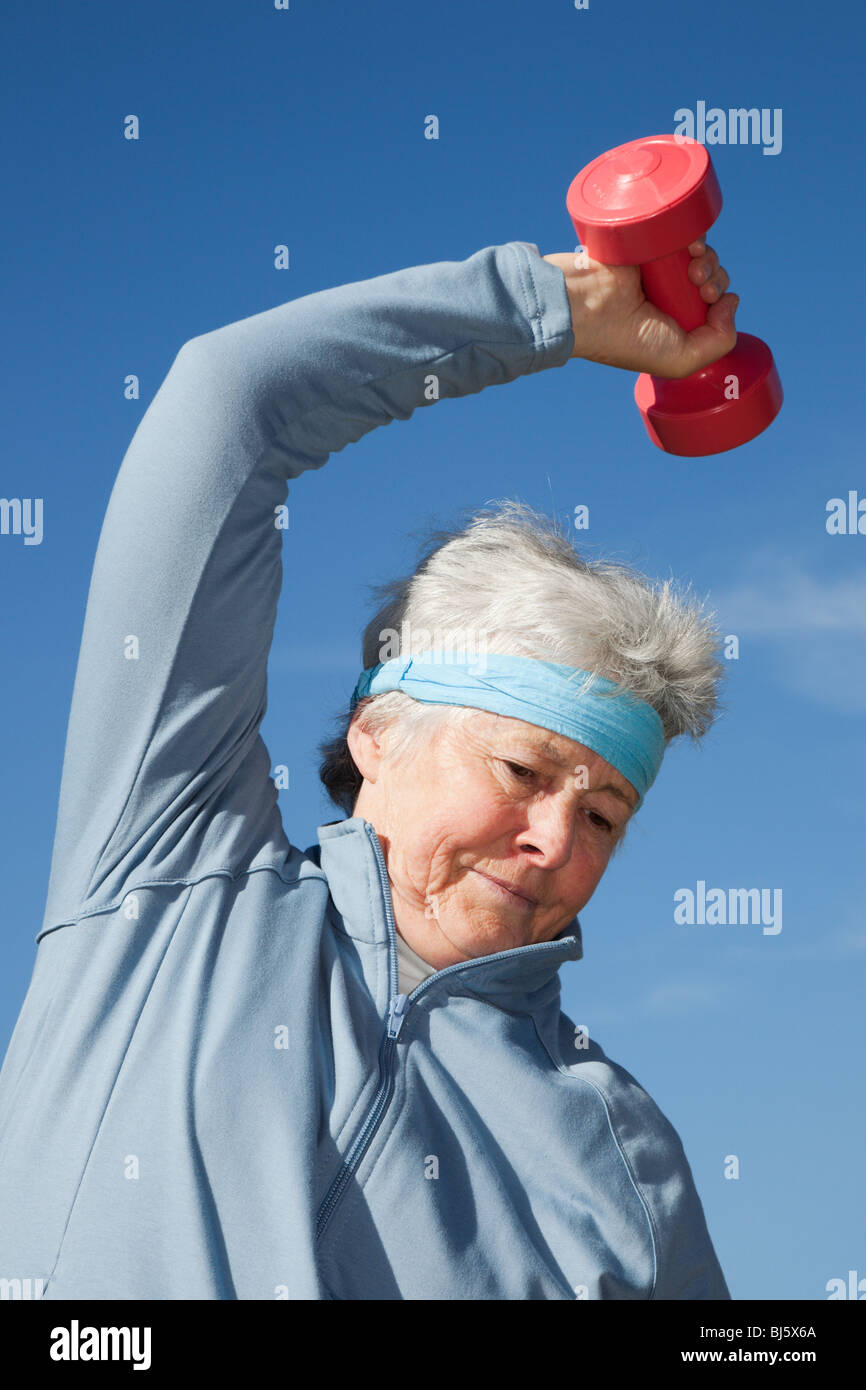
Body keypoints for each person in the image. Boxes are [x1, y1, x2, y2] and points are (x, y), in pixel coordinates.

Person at [0, 236, 736, 1300]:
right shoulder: (169, 877)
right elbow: (229, 405)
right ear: (376, 732)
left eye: (605, 816)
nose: (554, 843)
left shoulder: (623, 1161)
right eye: (523, 768)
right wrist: (560, 308)